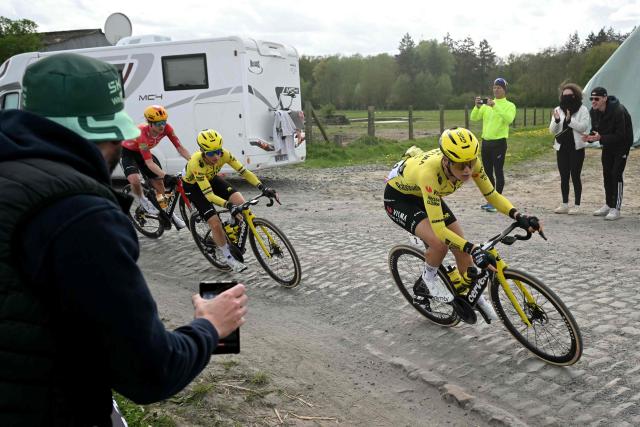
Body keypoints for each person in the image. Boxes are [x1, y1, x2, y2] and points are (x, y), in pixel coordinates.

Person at [0, 53, 248, 426]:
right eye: (116, 130)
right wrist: (209, 326)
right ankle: (151, 205)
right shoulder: (81, 214)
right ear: (101, 132)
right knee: (139, 181)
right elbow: (151, 372)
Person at [384, 127, 542, 321]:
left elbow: (492, 195)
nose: (467, 170)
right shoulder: (429, 174)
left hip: (426, 194)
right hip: (400, 199)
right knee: (440, 243)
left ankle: (471, 296)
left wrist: (518, 216)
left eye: (471, 163)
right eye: (460, 166)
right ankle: (429, 278)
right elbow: (441, 231)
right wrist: (475, 249)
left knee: (462, 248)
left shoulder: (470, 163)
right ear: (446, 161)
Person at [182, 129, 278, 272]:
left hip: (211, 178)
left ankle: (232, 227)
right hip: (194, 186)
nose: (216, 156)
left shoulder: (224, 155)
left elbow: (243, 172)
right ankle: (228, 257)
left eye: (218, 151)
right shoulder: (196, 163)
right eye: (210, 153)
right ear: (202, 151)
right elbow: (209, 196)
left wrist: (262, 187)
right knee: (215, 223)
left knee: (240, 201)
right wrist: (228, 205)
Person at [121, 104, 191, 229]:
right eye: (158, 123)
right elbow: (149, 163)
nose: (162, 126)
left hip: (144, 152)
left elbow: (180, 148)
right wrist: (165, 175)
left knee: (160, 186)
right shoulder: (141, 133)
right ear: (150, 123)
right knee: (135, 179)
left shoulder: (167, 129)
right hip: (128, 153)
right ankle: (142, 199)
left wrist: (192, 161)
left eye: (164, 122)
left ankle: (170, 214)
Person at [583, 86, 633, 220]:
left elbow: (621, 135)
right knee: (606, 173)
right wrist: (589, 137)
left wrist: (600, 138)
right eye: (591, 98)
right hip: (607, 144)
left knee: (616, 173)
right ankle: (608, 204)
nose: (593, 101)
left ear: (605, 98)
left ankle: (616, 208)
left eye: (596, 99)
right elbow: (596, 129)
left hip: (622, 145)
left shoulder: (618, 111)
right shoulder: (594, 111)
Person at [471, 77, 517, 213]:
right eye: (494, 87)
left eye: (499, 87)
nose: (496, 90)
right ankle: (491, 200)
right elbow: (474, 118)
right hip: (486, 142)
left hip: (499, 143)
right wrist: (477, 106)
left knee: (498, 171)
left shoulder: (509, 105)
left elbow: (509, 119)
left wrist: (495, 106)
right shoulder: (487, 104)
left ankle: (498, 202)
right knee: (487, 173)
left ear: (504, 90)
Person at [549, 83, 591, 215]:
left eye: (570, 95)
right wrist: (556, 121)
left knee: (575, 176)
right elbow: (552, 130)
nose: (566, 97)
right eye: (564, 95)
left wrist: (569, 120)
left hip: (576, 148)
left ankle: (577, 205)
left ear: (575, 96)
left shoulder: (583, 109)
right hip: (562, 148)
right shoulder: (558, 109)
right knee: (564, 176)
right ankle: (564, 204)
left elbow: (583, 127)